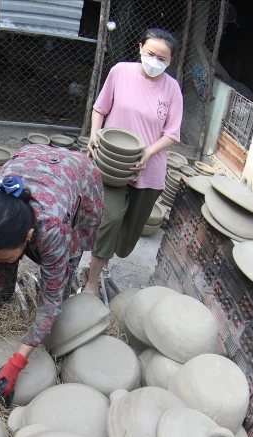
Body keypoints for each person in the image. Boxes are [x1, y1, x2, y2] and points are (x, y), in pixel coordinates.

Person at [0, 144, 105, 404]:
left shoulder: (52, 229)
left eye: (5, 256)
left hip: (75, 175)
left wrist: (17, 362)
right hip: (30, 160)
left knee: (62, 273)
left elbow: (49, 302)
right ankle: (6, 293)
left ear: (29, 236)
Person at [86, 27, 183, 290]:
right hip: (113, 164)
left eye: (162, 59)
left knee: (128, 235)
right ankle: (92, 282)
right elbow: (100, 107)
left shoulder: (172, 89)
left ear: (170, 61)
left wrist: (148, 152)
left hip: (148, 170)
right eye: (151, 53)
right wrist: (94, 135)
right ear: (140, 48)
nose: (155, 61)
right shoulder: (120, 71)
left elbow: (172, 133)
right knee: (112, 218)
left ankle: (104, 259)